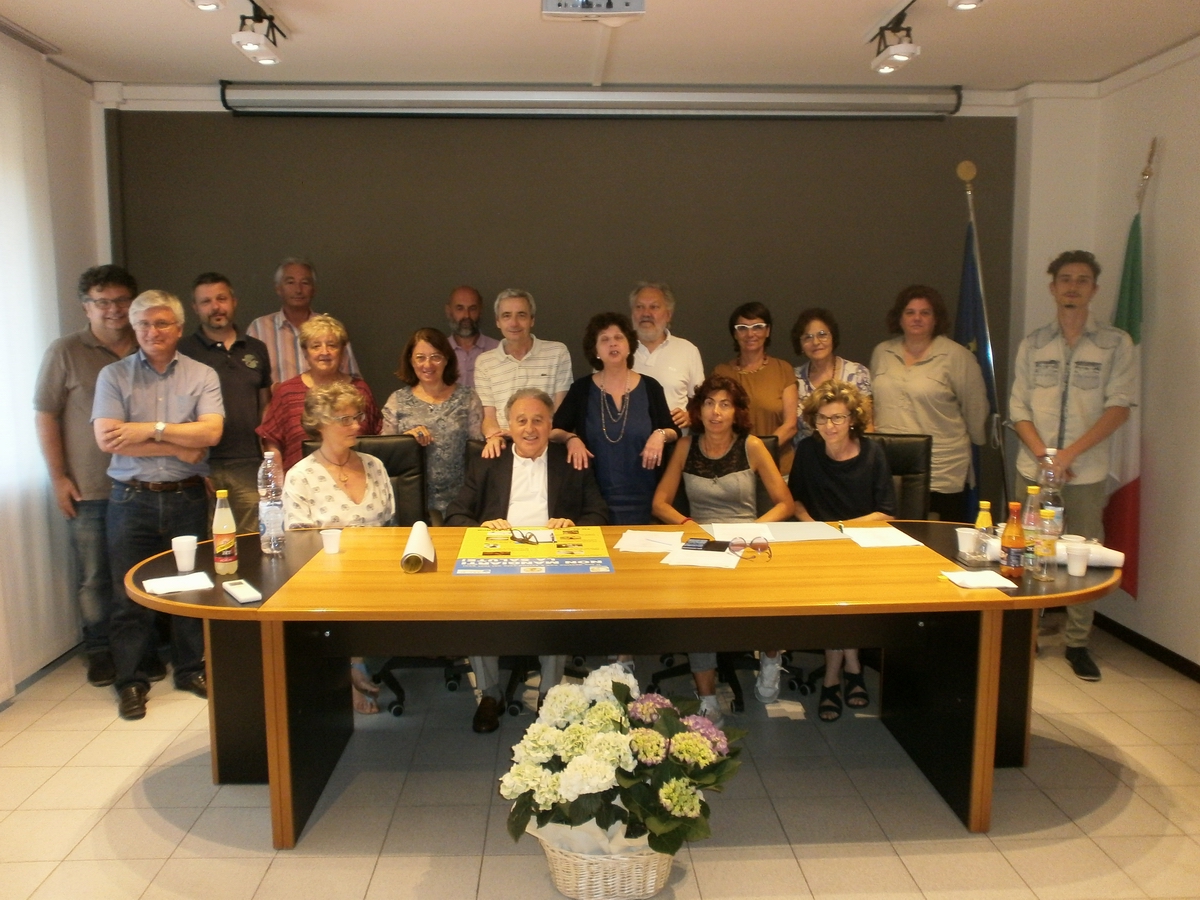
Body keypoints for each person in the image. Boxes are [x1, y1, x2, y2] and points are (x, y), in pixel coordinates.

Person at [92, 290, 224, 720]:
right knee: (127, 595)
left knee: (191, 588)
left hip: (186, 495)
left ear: (179, 328)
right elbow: (108, 438)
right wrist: (176, 442)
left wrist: (145, 432)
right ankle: (131, 680)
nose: (153, 331)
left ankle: (190, 669)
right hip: (131, 499)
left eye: (162, 323)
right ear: (134, 329)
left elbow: (210, 435)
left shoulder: (202, 374)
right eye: (144, 324)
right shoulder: (113, 376)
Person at [445, 389, 609, 733]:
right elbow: (455, 514)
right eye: (522, 421)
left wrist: (573, 525)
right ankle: (489, 694)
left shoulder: (570, 460)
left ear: (551, 424)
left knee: (556, 607)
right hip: (500, 560)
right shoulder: (490, 460)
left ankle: (550, 696)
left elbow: (599, 513)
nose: (530, 428)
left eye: (538, 420)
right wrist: (482, 529)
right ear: (509, 425)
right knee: (477, 609)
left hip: (553, 562)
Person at [1009, 251, 1136, 683]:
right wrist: (1046, 457)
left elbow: (1119, 408)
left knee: (1084, 557)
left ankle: (1078, 642)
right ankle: (1026, 633)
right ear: (1052, 287)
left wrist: (1067, 456)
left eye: (1082, 280)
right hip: (1034, 469)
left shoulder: (1116, 344)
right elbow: (1017, 408)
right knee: (1029, 553)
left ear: (1094, 290)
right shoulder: (1034, 344)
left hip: (1085, 472)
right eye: (1065, 279)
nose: (1072, 287)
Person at [651, 375, 793, 722]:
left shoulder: (753, 446)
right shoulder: (685, 446)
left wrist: (753, 529)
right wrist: (688, 525)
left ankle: (771, 658)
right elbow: (660, 503)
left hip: (749, 539)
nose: (716, 412)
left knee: (771, 600)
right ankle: (708, 698)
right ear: (699, 409)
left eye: (725, 404)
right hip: (704, 541)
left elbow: (785, 503)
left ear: (736, 411)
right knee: (697, 610)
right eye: (710, 403)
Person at [34, 265, 139, 687]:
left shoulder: (150, 343)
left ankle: (140, 648)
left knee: (135, 573)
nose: (113, 310)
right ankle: (99, 650)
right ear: (86, 306)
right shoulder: (64, 351)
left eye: (121, 301)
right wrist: (58, 477)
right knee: (94, 575)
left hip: (141, 485)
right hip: (89, 486)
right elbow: (45, 415)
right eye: (103, 302)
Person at [283, 383, 396, 714]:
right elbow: (297, 540)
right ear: (320, 423)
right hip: (327, 574)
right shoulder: (301, 476)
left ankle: (355, 665)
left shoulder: (374, 465)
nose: (356, 425)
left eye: (356, 416)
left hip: (378, 569)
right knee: (344, 596)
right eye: (344, 419)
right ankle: (351, 668)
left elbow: (392, 525)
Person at [789, 379, 896, 721]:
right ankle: (852, 669)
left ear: (852, 418)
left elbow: (887, 510)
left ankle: (834, 678)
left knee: (844, 594)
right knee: (834, 591)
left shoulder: (872, 452)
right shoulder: (807, 450)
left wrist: (844, 530)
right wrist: (812, 525)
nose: (829, 426)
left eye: (836, 418)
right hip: (817, 544)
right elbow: (796, 501)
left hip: (863, 545)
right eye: (821, 419)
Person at [870, 285, 988, 522]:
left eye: (925, 313)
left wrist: (976, 439)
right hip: (888, 464)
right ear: (899, 318)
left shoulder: (957, 356)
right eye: (910, 312)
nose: (917, 318)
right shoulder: (882, 352)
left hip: (941, 467)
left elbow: (976, 409)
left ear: (936, 319)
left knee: (936, 541)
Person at [552, 312, 679, 525]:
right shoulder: (582, 389)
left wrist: (660, 434)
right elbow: (554, 431)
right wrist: (571, 439)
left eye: (618, 338)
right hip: (595, 503)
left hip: (648, 501)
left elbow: (673, 431)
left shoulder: (650, 387)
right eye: (605, 339)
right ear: (596, 350)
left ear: (629, 345)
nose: (613, 344)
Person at [178, 272, 272, 534]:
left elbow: (266, 405)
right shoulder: (183, 351)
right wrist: (196, 467)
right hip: (204, 466)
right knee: (210, 545)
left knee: (253, 540)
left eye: (221, 298)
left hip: (249, 464)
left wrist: (266, 460)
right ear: (195, 308)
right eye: (206, 301)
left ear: (234, 301)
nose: (215, 307)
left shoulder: (256, 348)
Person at [257, 314, 381, 472]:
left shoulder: (360, 390)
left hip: (354, 480)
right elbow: (271, 442)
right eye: (316, 346)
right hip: (300, 486)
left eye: (332, 345)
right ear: (305, 352)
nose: (325, 352)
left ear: (342, 351)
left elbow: (377, 439)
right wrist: (278, 483)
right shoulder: (286, 392)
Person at [382, 328, 484, 518]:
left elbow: (478, 453)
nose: (427, 364)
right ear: (410, 360)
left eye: (435, 357)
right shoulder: (397, 400)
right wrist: (405, 442)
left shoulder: (468, 398)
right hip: (411, 500)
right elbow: (384, 458)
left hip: (461, 500)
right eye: (420, 357)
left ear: (447, 359)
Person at [474, 289, 573, 454]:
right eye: (506, 315)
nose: (514, 323)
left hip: (547, 446)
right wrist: (494, 436)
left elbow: (560, 413)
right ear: (498, 321)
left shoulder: (557, 353)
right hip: (503, 447)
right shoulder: (485, 363)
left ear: (532, 320)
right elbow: (489, 417)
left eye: (521, 315)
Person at [713, 302, 799, 476]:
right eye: (742, 328)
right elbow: (715, 421)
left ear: (767, 331)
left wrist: (758, 454)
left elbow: (790, 425)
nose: (750, 334)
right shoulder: (721, 373)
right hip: (734, 469)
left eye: (758, 327)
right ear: (735, 334)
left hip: (779, 469)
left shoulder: (783, 369)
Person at [246, 257, 360, 384]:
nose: (298, 290)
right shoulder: (259, 329)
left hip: (327, 402)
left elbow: (352, 380)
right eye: (290, 282)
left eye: (305, 283)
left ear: (314, 289)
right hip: (278, 402)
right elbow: (249, 382)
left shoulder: (331, 330)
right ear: (278, 289)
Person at [629, 282, 705, 432]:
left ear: (668, 315)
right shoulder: (616, 350)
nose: (646, 313)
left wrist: (691, 415)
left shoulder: (687, 350)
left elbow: (703, 400)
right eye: (639, 307)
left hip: (674, 446)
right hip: (627, 447)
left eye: (654, 307)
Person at [790, 307, 872, 443]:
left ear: (833, 337)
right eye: (808, 337)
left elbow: (867, 426)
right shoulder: (793, 378)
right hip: (807, 457)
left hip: (851, 456)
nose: (816, 342)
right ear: (800, 344)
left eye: (822, 334)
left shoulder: (857, 373)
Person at [445, 285, 499, 389]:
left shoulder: (499, 350)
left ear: (480, 311)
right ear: (448, 311)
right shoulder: (438, 352)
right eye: (460, 308)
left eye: (472, 309)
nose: (466, 315)